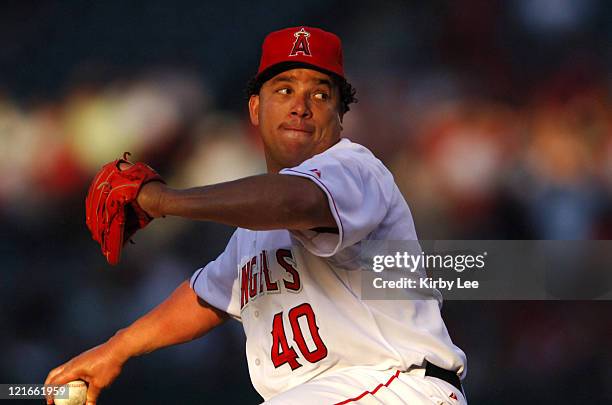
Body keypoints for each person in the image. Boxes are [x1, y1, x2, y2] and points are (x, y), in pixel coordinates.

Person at [45, 26, 467, 405]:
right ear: (254, 109)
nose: (301, 106)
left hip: (399, 387)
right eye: (284, 90)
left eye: (321, 94)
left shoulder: (354, 169)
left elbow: (294, 202)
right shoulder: (252, 231)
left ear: (340, 119)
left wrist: (162, 200)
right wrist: (115, 350)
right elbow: (206, 295)